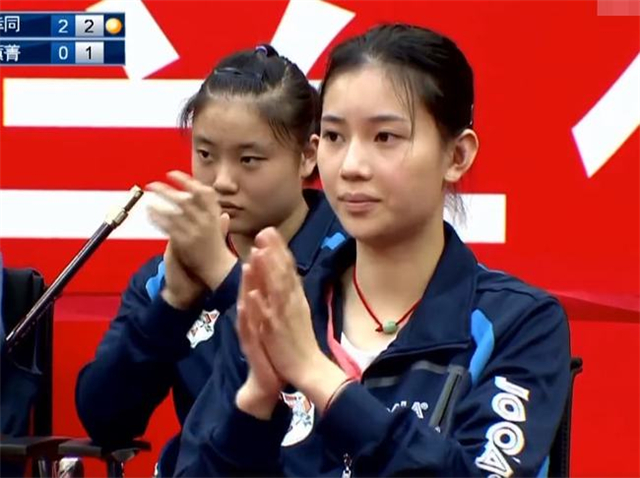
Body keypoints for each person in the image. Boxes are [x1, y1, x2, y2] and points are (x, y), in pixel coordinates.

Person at [173, 24, 571, 477]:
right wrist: (256, 405)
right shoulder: (276, 311)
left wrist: (319, 377)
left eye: (384, 137)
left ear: (457, 155)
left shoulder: (517, 324)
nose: (351, 166)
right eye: (335, 137)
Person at [74, 44, 346, 476]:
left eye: (248, 160)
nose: (222, 181)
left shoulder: (352, 255)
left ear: (307, 155)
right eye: (205, 155)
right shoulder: (169, 273)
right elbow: (105, 419)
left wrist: (224, 276)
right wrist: (172, 304)